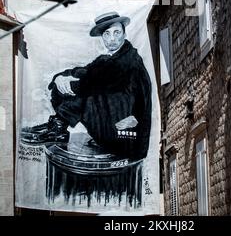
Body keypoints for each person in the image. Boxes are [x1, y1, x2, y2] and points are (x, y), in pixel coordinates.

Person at [21, 12, 152, 160]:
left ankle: (58, 126)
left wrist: (135, 117)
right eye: (107, 34)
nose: (112, 39)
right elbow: (86, 71)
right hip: (110, 126)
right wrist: (60, 78)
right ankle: (59, 128)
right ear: (102, 37)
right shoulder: (107, 59)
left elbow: (96, 80)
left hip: (126, 136)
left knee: (89, 92)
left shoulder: (130, 60)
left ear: (124, 33)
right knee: (64, 88)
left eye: (117, 33)